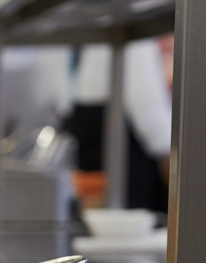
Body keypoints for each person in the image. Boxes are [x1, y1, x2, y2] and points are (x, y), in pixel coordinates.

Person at [61, 38, 171, 212]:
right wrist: (169, 149)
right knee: (129, 221)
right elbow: (144, 100)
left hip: (95, 124)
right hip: (121, 137)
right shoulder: (138, 29)